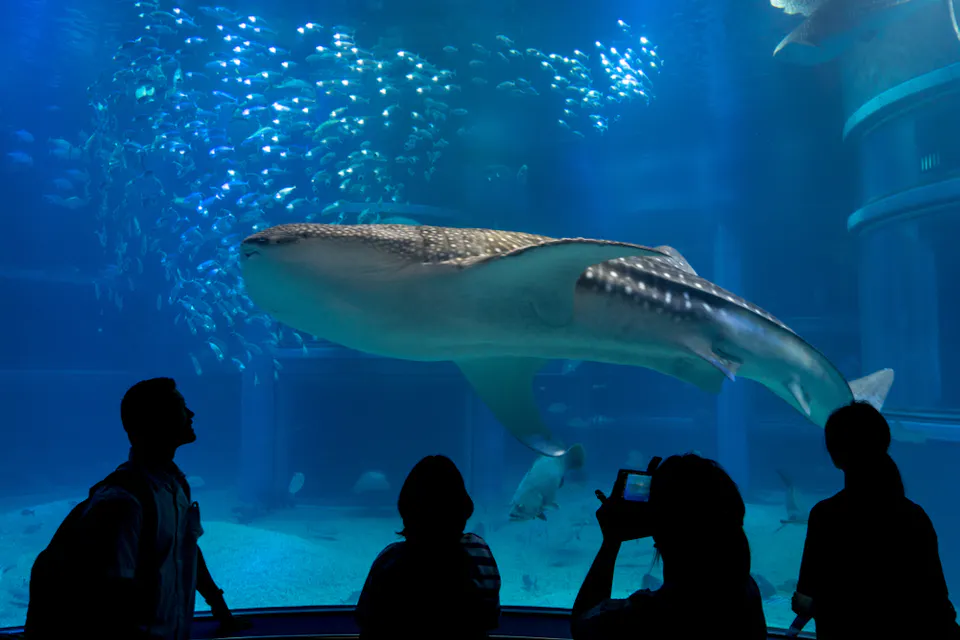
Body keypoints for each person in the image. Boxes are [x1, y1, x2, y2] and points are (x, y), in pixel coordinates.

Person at [25, 377, 249, 640]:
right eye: (180, 406)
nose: (191, 413)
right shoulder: (121, 503)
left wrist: (221, 611)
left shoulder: (176, 485)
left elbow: (186, 548)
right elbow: (110, 597)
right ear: (155, 420)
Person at [791, 401, 959, 639]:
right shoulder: (914, 516)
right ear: (885, 444)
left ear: (835, 456)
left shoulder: (826, 516)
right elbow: (934, 598)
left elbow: (805, 597)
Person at [570, 453, 767, 640]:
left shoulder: (648, 615)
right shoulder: (746, 590)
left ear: (664, 526)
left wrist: (611, 541)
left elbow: (583, 626)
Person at [354, 454, 501, 639]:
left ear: (406, 511)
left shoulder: (390, 560)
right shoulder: (479, 553)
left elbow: (365, 621)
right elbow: (490, 619)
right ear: (464, 510)